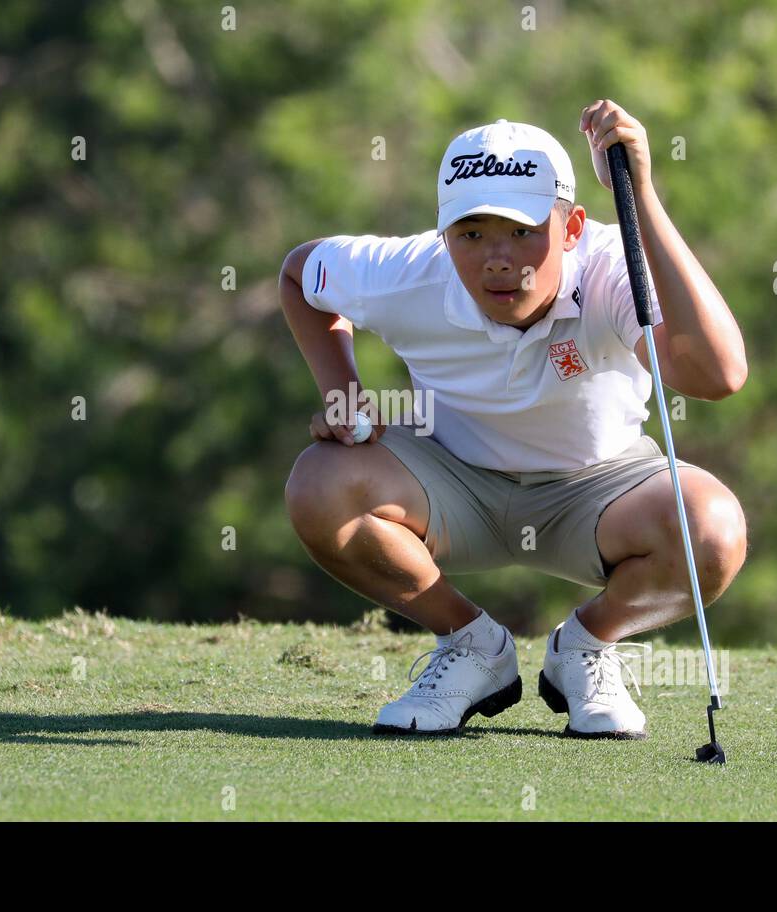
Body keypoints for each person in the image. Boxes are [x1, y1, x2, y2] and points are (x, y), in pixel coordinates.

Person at [278, 100, 748, 738]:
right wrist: (344, 392)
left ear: (573, 226)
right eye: (471, 234)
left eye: (522, 231)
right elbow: (301, 272)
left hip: (600, 493)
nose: (496, 258)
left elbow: (717, 375)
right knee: (321, 484)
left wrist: (641, 199)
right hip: (451, 485)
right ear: (445, 235)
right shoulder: (411, 273)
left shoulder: (613, 268)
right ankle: (472, 648)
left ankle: (584, 649)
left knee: (713, 532)